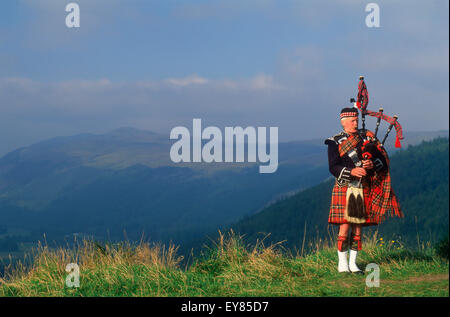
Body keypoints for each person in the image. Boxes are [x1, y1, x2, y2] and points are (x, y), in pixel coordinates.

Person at [325, 107, 403, 273]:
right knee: (345, 225)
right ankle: (342, 264)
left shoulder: (366, 138)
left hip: (362, 186)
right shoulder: (334, 141)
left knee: (358, 226)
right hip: (345, 186)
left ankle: (353, 264)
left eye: (356, 120)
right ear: (343, 122)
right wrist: (351, 171)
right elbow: (333, 167)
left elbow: (381, 160)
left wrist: (371, 164)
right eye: (352, 121)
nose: (355, 123)